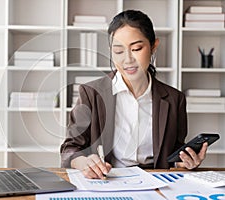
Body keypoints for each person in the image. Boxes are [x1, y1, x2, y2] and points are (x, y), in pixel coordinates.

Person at [60, 10, 208, 179]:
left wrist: (185, 161)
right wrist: (83, 162)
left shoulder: (175, 99)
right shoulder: (91, 93)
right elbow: (69, 149)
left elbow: (174, 152)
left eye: (136, 48)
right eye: (118, 51)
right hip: (108, 180)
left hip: (157, 181)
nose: (127, 59)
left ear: (153, 46)